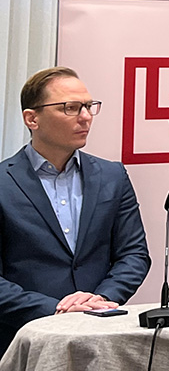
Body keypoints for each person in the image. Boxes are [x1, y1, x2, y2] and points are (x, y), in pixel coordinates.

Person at [0, 67, 150, 352]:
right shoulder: (3, 183)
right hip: (24, 340)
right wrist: (57, 308)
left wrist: (99, 300)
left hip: (102, 336)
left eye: (88, 106)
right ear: (32, 119)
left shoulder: (112, 176)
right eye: (70, 108)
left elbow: (134, 254)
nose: (85, 117)